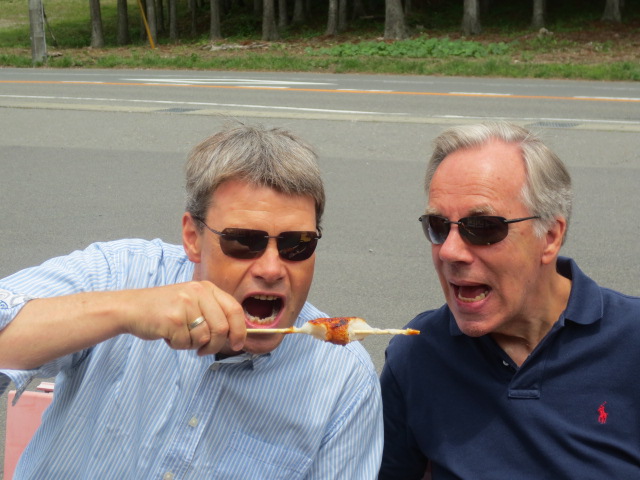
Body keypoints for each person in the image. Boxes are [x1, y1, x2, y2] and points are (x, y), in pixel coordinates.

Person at [0, 123, 383, 479]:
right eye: (243, 241)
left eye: (296, 244)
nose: (271, 268)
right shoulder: (121, 273)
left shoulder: (343, 380)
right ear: (192, 237)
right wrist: (123, 311)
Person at [379, 121, 640, 479]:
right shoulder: (418, 353)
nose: (450, 252)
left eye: (483, 227)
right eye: (438, 226)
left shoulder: (632, 340)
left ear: (549, 236)